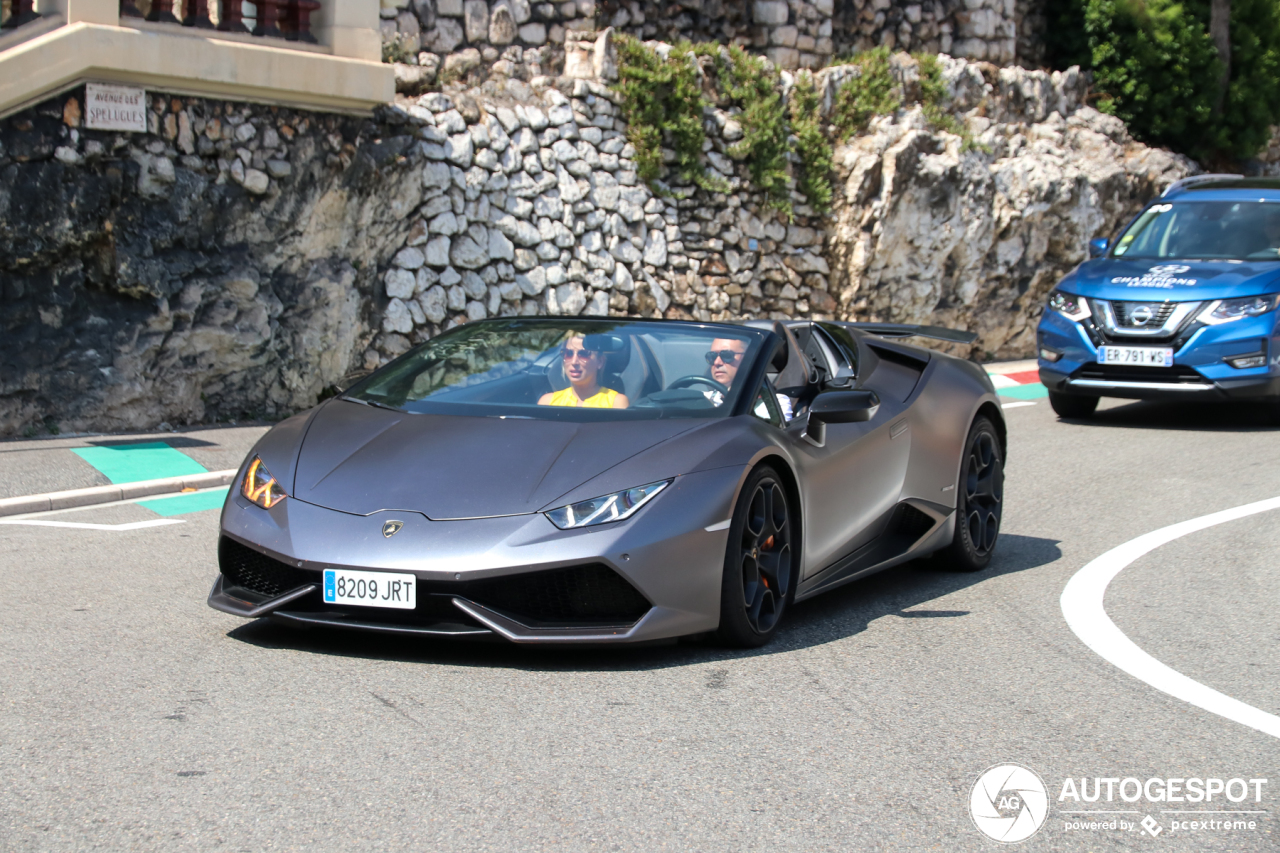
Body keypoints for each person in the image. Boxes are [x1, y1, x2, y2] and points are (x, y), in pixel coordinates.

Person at [703, 337, 794, 421]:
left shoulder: (774, 405)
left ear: (748, 358)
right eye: (712, 356)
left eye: (726, 355)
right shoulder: (701, 398)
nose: (716, 362)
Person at [539, 334, 630, 408]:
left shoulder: (617, 403)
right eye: (568, 354)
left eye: (583, 354)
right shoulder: (547, 402)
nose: (574, 362)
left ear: (600, 361)